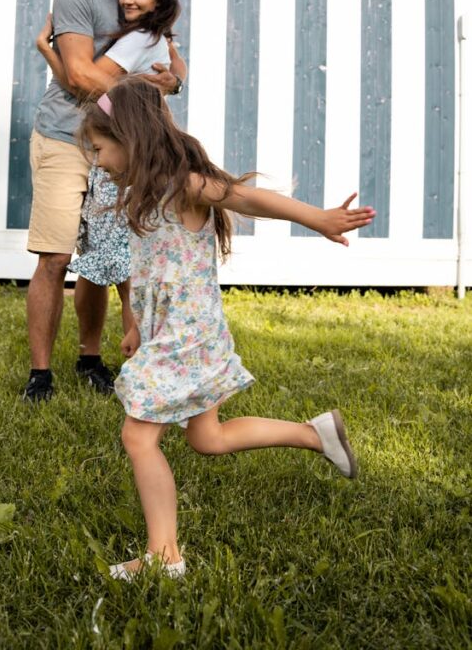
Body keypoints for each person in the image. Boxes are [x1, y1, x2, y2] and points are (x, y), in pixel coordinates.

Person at [78, 77, 376, 579]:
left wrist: (318, 219)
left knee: (138, 436)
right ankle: (314, 434)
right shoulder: (146, 195)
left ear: (129, 136)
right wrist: (134, 325)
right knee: (208, 438)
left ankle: (164, 558)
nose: (98, 160)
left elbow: (245, 199)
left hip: (188, 336)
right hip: (175, 334)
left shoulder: (183, 183)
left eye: (101, 148)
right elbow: (147, 269)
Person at [24, 0, 186, 404]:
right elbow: (78, 76)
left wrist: (173, 80)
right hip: (63, 138)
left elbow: (171, 61)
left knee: (110, 258)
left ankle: (90, 358)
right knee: (55, 256)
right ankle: (40, 375)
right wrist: (144, 90)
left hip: (118, 148)